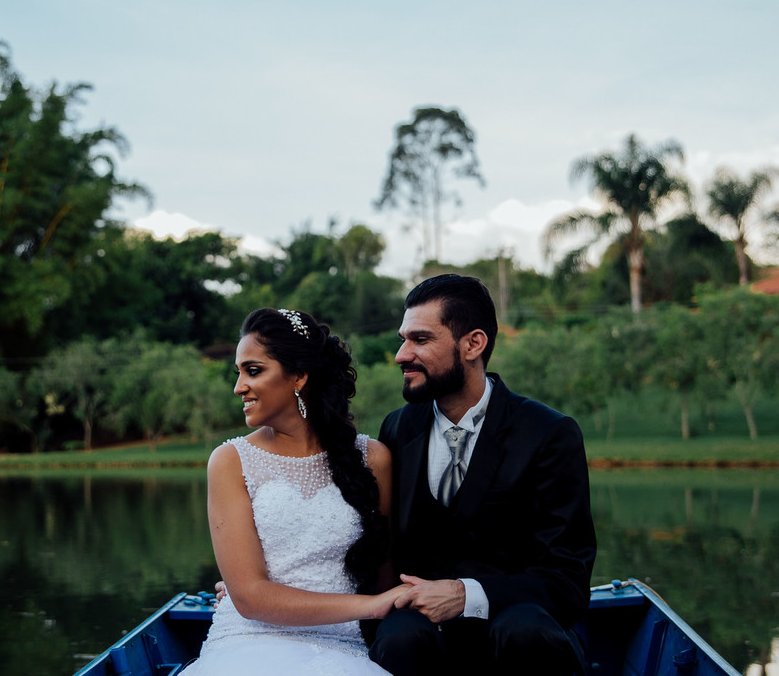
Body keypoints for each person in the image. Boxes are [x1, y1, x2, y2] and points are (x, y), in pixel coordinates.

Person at [370, 274, 596, 676]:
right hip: (424, 635)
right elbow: (377, 539)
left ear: (473, 344)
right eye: (403, 339)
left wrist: (466, 595)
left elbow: (568, 581)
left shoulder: (548, 433)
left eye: (420, 340)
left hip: (519, 633)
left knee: (524, 629)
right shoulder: (397, 429)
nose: (401, 355)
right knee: (399, 635)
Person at [184, 307, 404, 676]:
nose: (238, 386)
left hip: (342, 646)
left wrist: (382, 602)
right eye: (238, 373)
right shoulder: (230, 461)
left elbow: (384, 572)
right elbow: (251, 598)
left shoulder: (373, 458)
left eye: (252, 371)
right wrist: (372, 605)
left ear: (299, 376)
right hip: (248, 640)